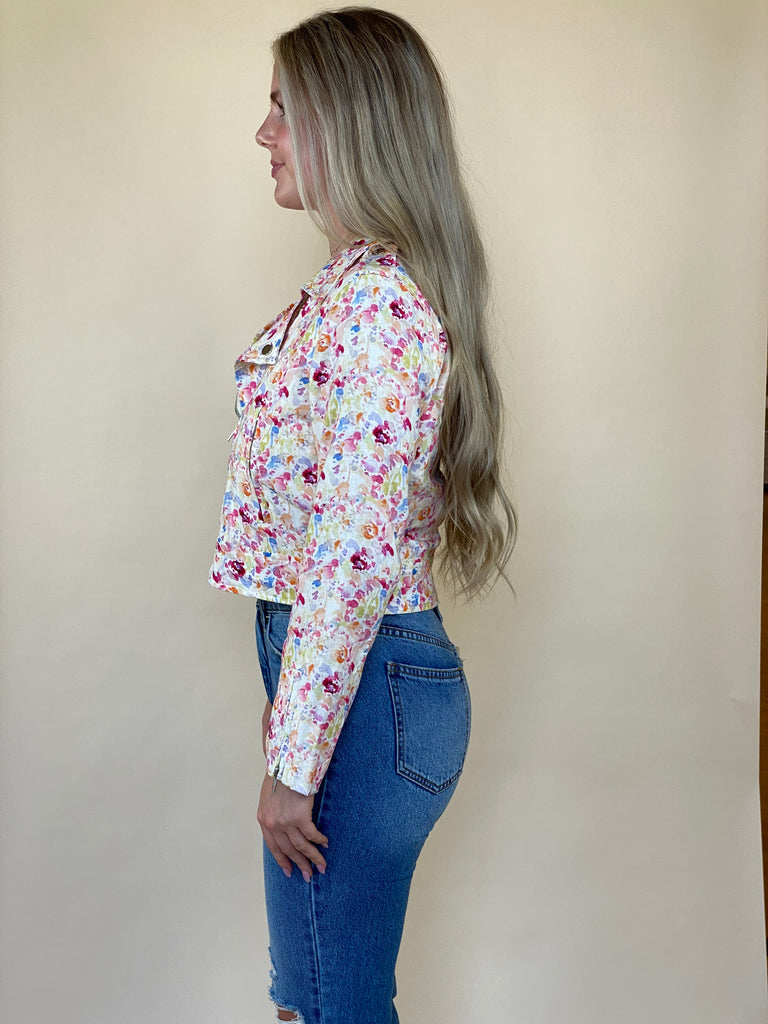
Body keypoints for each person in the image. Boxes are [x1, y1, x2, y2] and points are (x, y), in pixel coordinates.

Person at [209, 7, 515, 1022]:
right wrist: (292, 705)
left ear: (349, 122)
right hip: (351, 680)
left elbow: (349, 558)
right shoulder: (352, 292)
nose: (264, 134)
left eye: (282, 109)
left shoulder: (378, 306)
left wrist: (294, 766)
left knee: (332, 1006)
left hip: (366, 683)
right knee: (316, 1001)